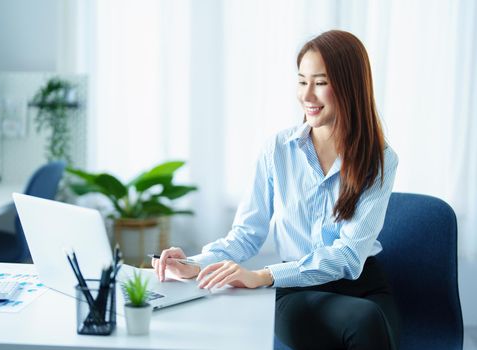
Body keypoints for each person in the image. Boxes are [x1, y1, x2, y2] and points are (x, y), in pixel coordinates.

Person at [152, 29, 400, 350]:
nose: (307, 95)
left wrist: (264, 274)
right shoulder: (278, 149)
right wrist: (194, 264)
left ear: (351, 87)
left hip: (362, 285)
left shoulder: (379, 159)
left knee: (368, 318)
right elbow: (246, 235)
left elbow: (349, 257)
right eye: (301, 81)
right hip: (296, 289)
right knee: (362, 322)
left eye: (320, 83)